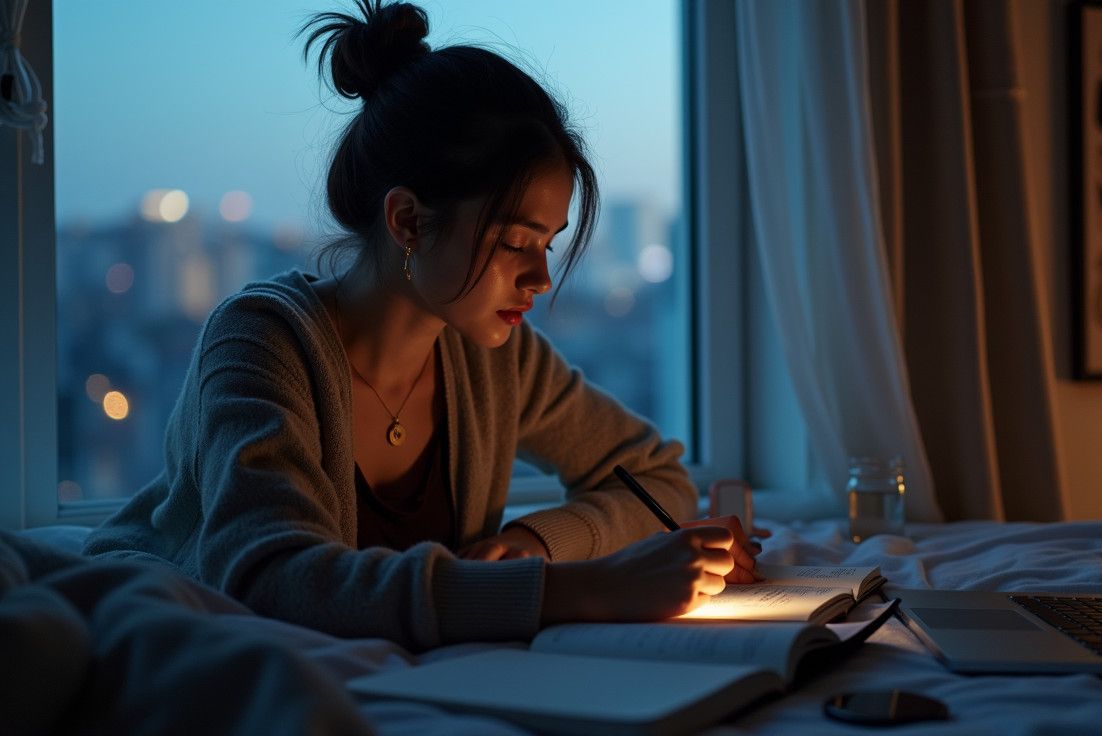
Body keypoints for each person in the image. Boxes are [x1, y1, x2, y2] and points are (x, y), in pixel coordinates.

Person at [84, 0, 759, 651]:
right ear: (407, 220)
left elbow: (656, 478)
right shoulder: (262, 342)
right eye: (514, 242)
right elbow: (271, 580)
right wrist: (577, 589)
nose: (541, 280)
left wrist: (538, 544)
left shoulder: (495, 357)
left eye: (547, 245)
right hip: (159, 635)